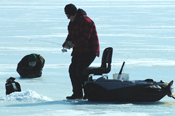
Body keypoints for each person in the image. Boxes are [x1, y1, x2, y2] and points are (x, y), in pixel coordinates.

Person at [62, 4, 100, 100]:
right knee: (72, 70)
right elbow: (70, 35)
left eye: (69, 16)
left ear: (74, 13)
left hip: (90, 51)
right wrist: (66, 43)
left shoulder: (85, 21)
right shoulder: (72, 22)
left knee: (80, 71)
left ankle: (88, 93)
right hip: (79, 51)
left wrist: (73, 44)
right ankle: (77, 93)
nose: (68, 18)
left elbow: (84, 38)